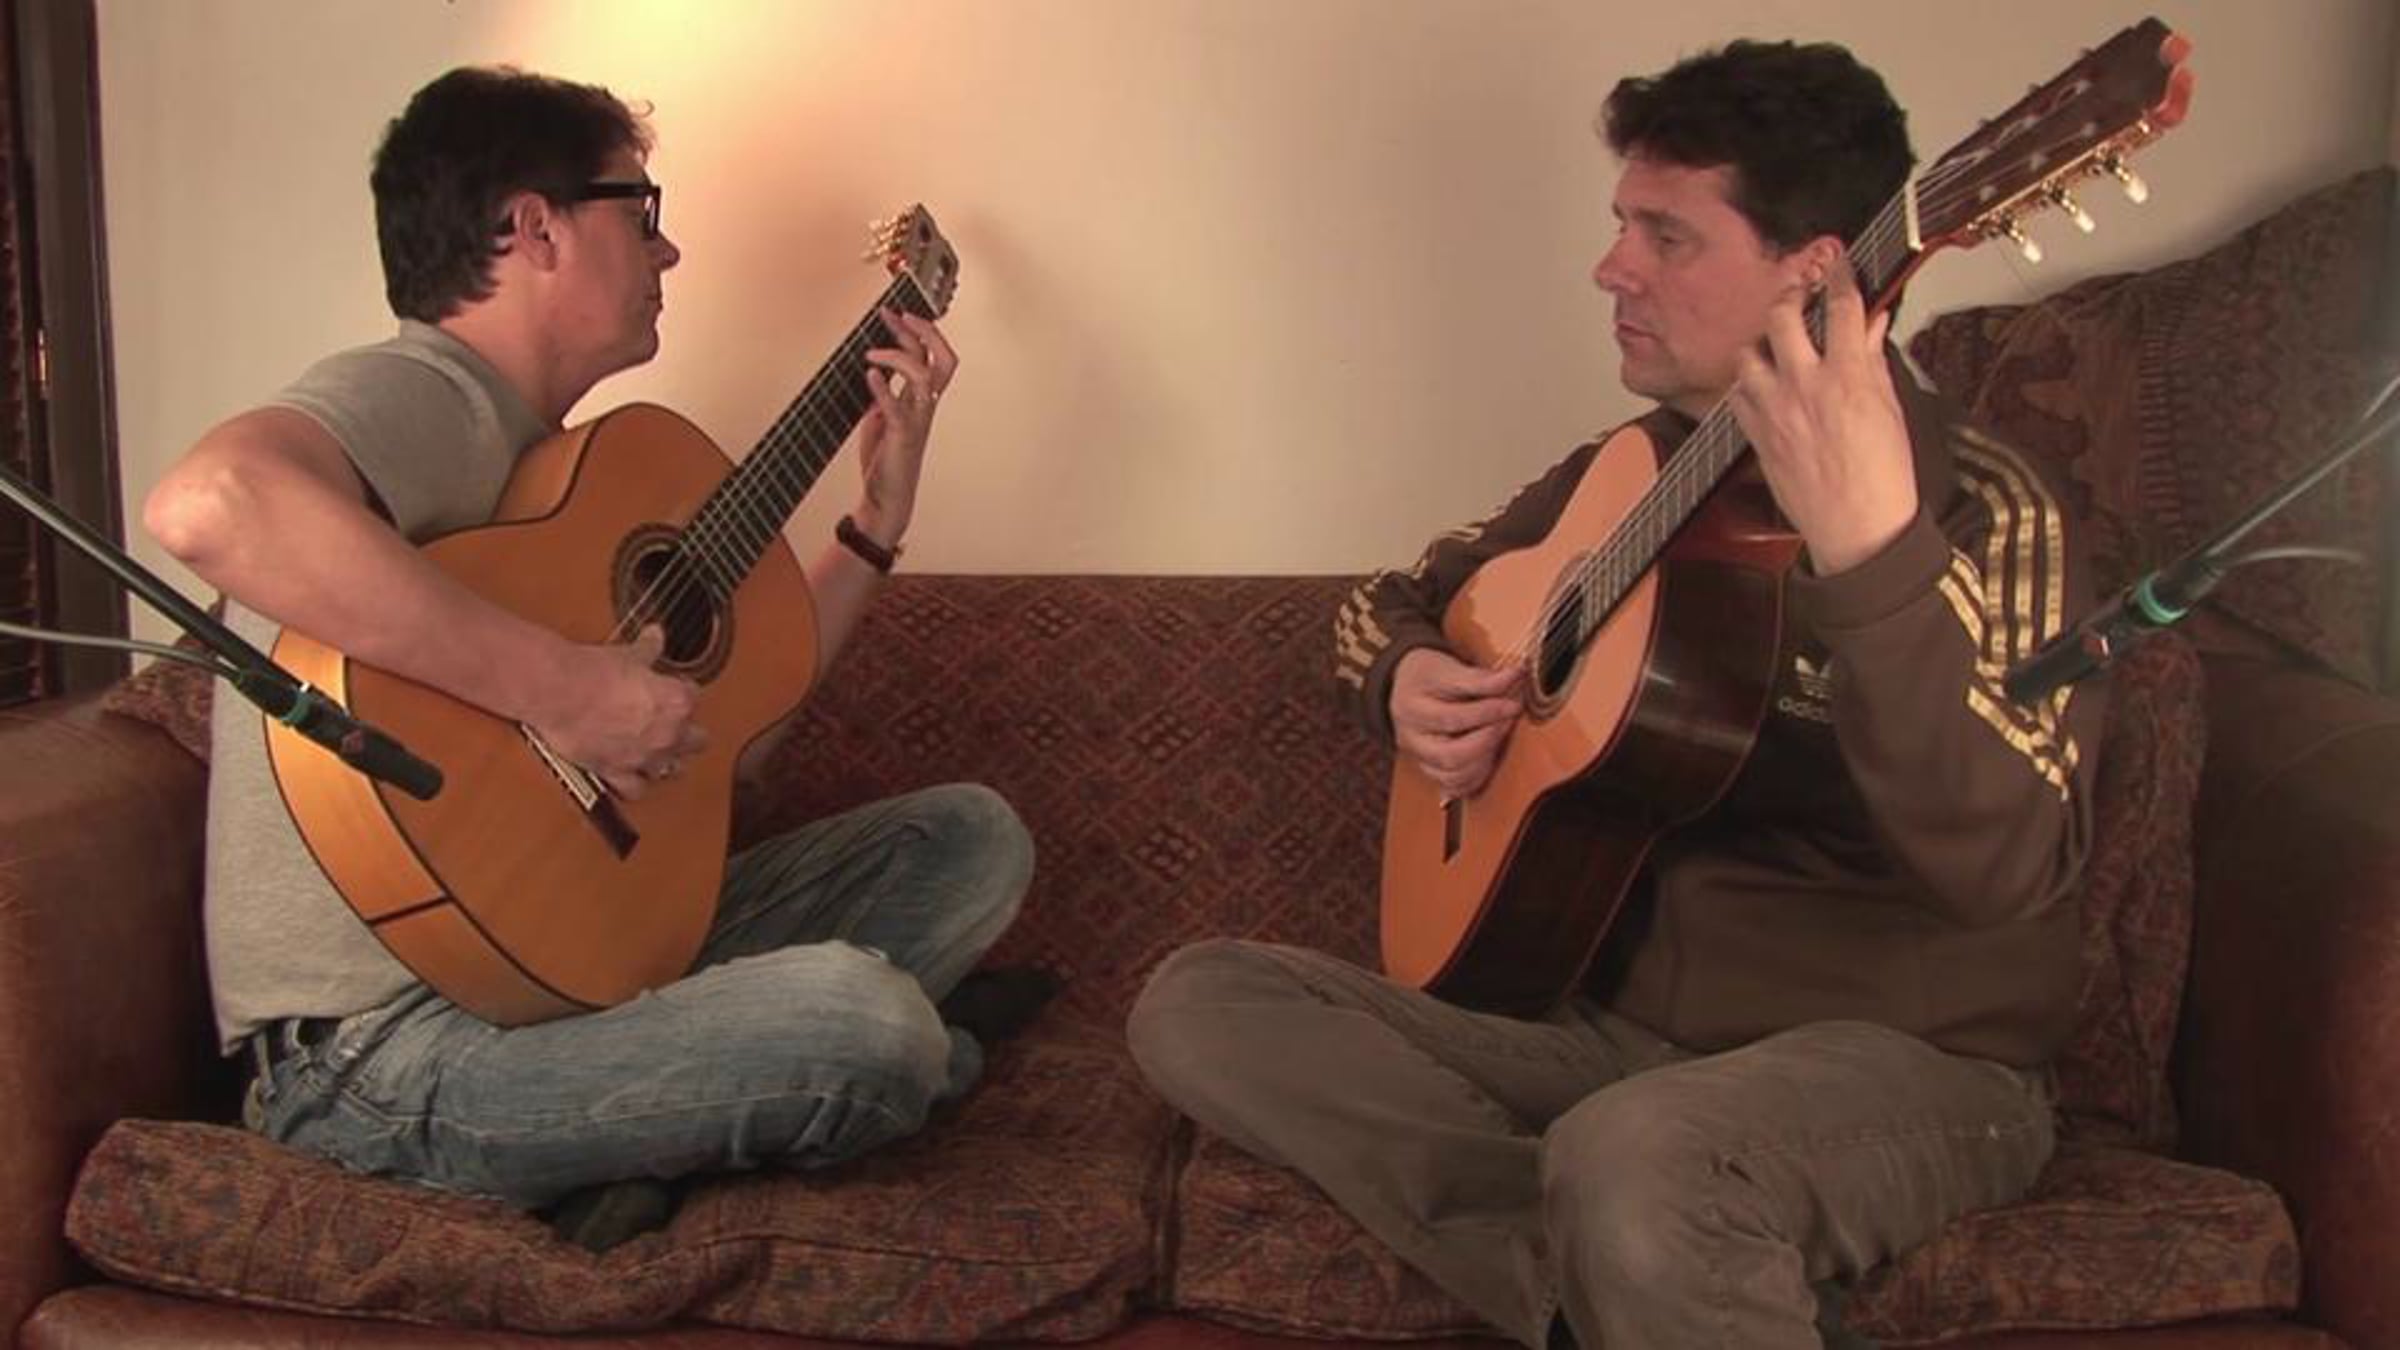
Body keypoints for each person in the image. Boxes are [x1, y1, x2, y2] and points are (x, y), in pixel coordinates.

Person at [1127, 39, 2103, 1349]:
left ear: (1816, 271)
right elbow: (1386, 601)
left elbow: (2009, 871)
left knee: (1638, 1152)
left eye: (1667, 235)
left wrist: (1872, 553)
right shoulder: (1630, 475)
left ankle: (1632, 1230)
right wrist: (1405, 677)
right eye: (1621, 225)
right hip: (1616, 1042)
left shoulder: (1988, 507)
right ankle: (1603, 1277)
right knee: (1202, 1001)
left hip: (1909, 1059)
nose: (1611, 268)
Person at [144, 66, 1053, 1252]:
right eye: (641, 210)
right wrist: (565, 689)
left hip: (556, 970)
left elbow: (732, 742)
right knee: (871, 1026)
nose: (668, 252)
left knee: (972, 839)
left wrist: (876, 517)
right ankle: (791, 1099)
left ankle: (650, 1139)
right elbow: (211, 503)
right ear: (534, 228)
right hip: (373, 1056)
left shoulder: (559, 472)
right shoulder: (425, 393)